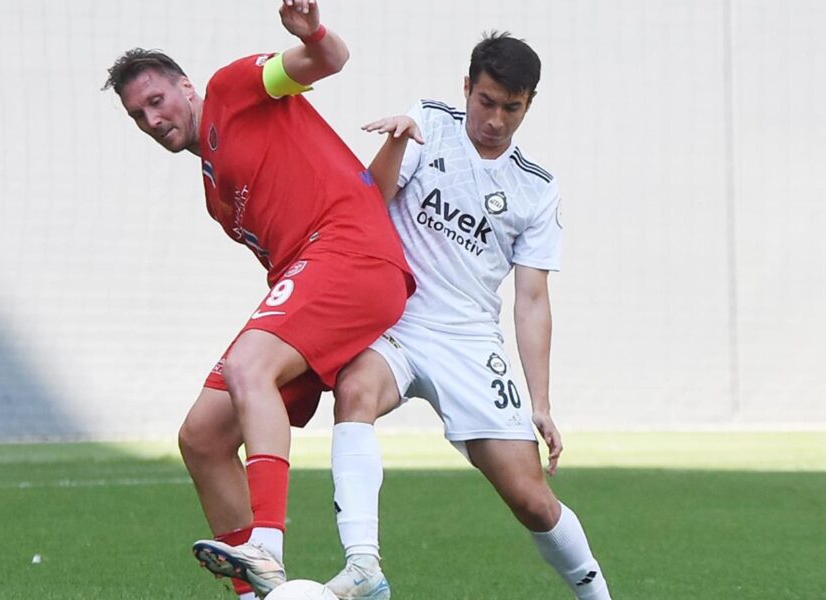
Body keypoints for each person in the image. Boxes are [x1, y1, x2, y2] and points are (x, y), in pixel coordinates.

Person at [103, 1, 414, 598]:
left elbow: (329, 59)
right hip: (316, 277)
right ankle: (259, 593)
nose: (152, 119)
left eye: (157, 101)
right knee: (202, 438)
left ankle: (266, 546)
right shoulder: (215, 194)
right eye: (138, 115)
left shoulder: (233, 89)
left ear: (186, 88)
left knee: (250, 365)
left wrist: (312, 33)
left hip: (351, 254)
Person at [323, 32, 612, 599]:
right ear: (466, 89)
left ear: (529, 104)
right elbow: (368, 205)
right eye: (486, 102)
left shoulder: (536, 189)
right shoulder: (427, 125)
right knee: (354, 390)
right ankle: (363, 568)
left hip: (470, 342)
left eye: (512, 107)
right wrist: (395, 145)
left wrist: (542, 403)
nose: (496, 120)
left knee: (532, 500)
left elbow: (532, 299)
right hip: (399, 325)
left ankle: (596, 595)